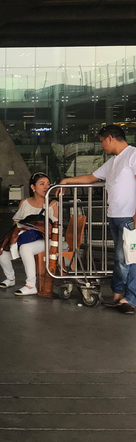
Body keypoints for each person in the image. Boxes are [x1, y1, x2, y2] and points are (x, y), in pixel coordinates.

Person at [59, 125, 136, 314]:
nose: (101, 145)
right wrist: (65, 181)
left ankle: (130, 298)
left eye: (102, 141)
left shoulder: (132, 155)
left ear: (110, 138)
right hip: (115, 216)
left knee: (129, 258)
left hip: (130, 216)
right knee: (122, 258)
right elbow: (91, 177)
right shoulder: (113, 162)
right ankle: (118, 295)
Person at [0, 172, 58, 296]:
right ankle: (10, 278)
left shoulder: (53, 204)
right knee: (2, 251)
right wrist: (20, 229)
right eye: (42, 184)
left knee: (25, 249)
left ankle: (31, 285)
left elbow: (56, 228)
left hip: (47, 239)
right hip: (26, 236)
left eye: (48, 184)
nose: (46, 187)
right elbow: (16, 222)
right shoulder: (24, 203)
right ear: (33, 187)